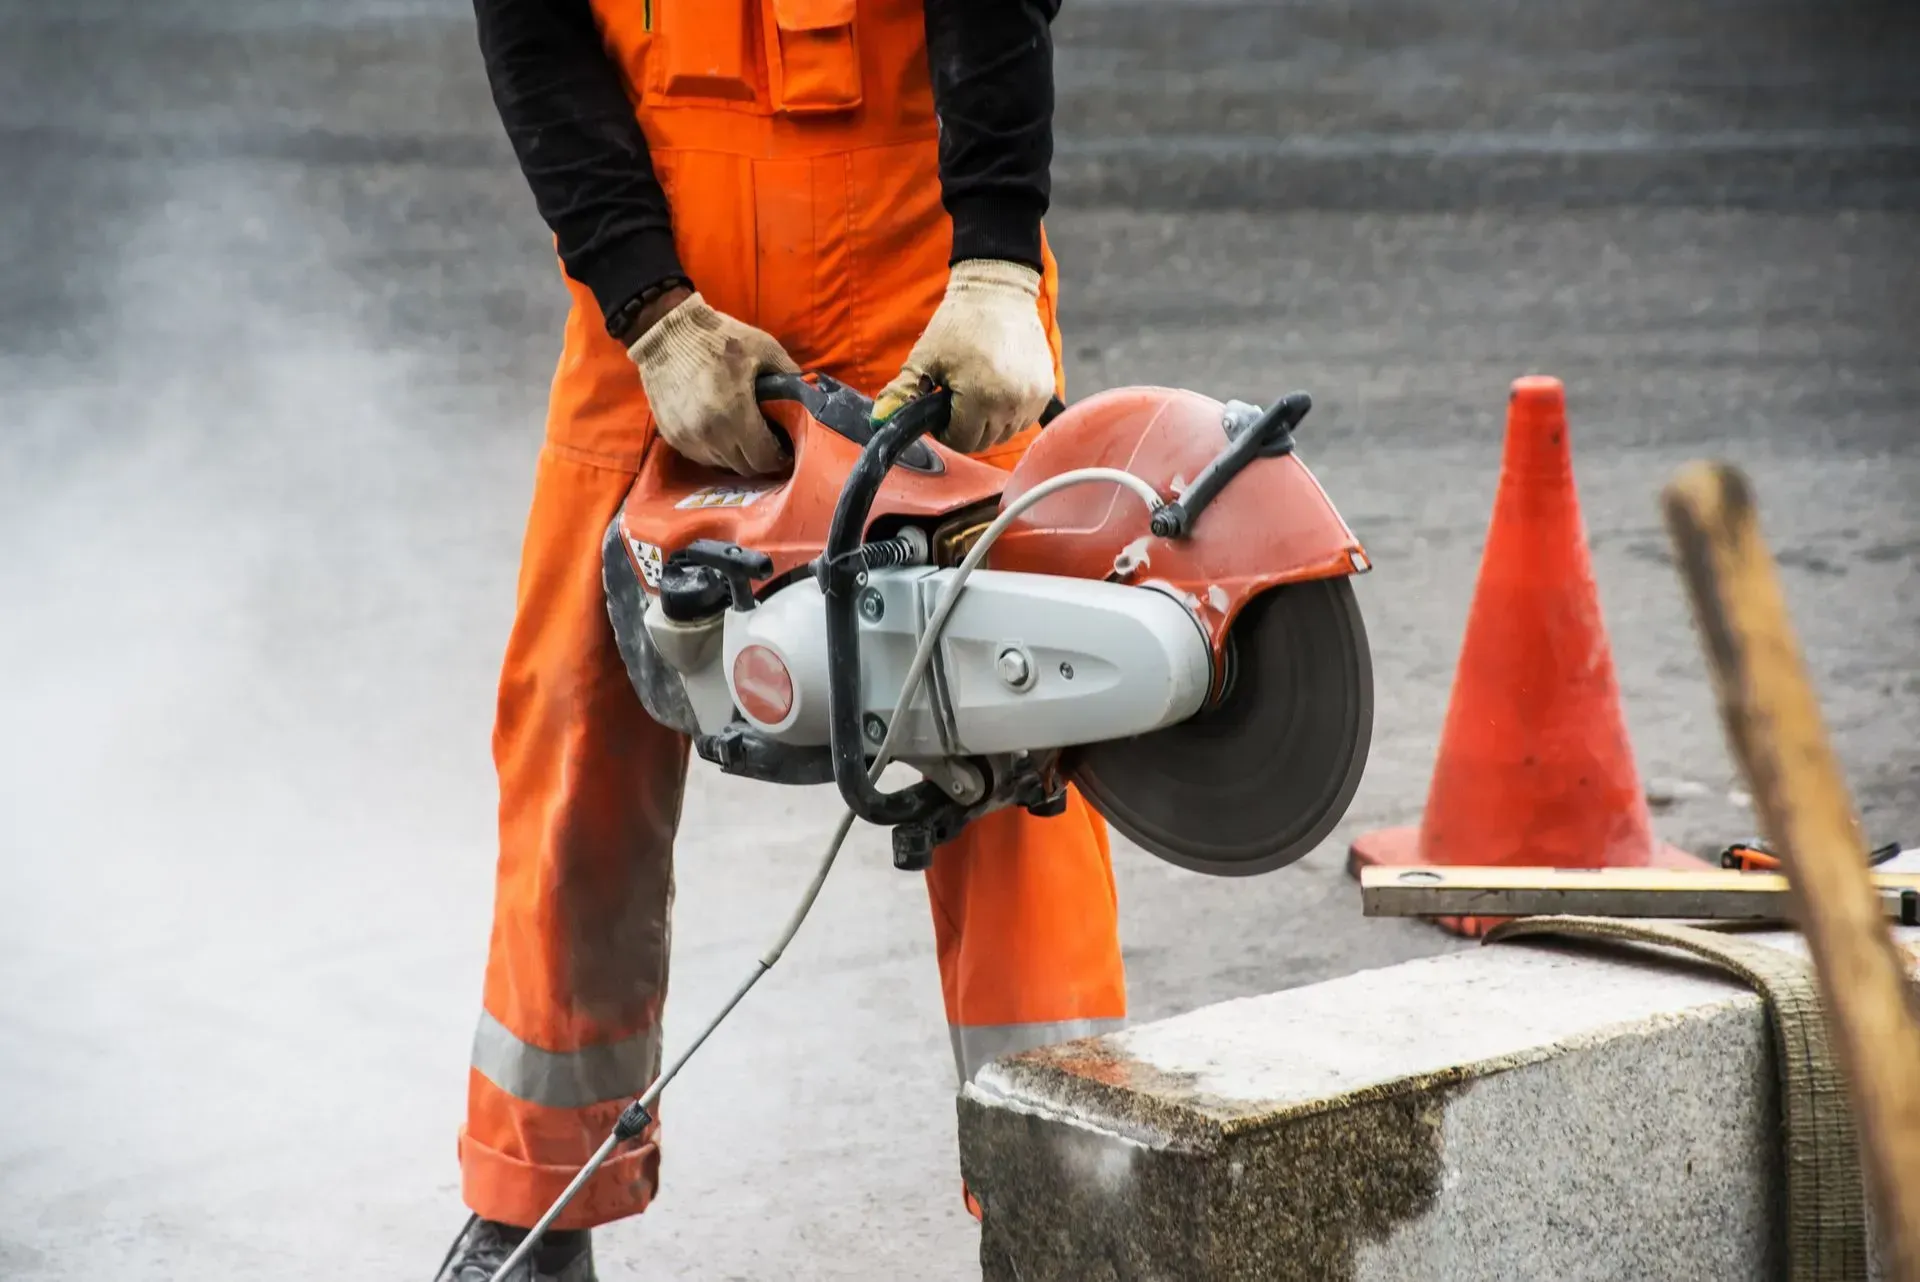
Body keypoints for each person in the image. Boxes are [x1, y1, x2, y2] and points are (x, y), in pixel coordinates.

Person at [437, 1, 1126, 1277]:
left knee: (1020, 744)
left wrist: (993, 262)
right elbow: (532, 22)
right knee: (574, 727)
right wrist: (647, 304)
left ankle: (1068, 1209)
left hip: (928, 264)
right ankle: (536, 1200)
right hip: (667, 283)